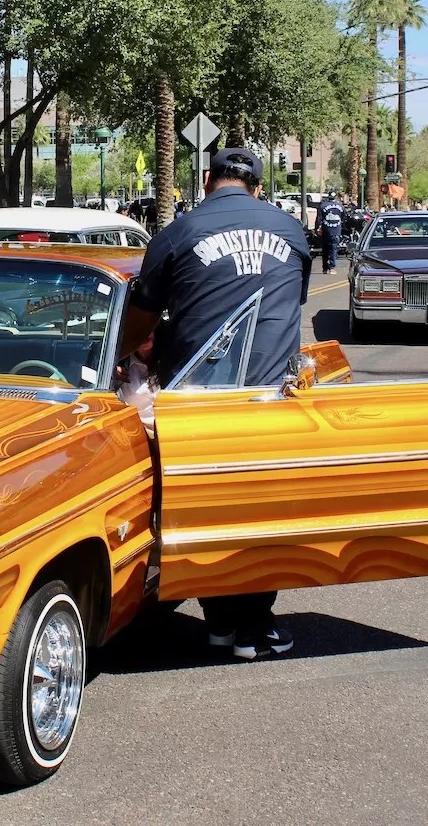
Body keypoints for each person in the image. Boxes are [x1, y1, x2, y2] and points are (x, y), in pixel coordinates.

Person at [121, 147, 311, 661]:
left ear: (207, 180)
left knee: (204, 511)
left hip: (194, 403)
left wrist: (121, 357)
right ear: (257, 186)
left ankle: (223, 625)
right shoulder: (291, 232)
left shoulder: (178, 234)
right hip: (269, 398)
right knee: (261, 514)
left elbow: (141, 317)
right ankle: (253, 624)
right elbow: (290, 303)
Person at [315, 189, 345, 274]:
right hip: (336, 230)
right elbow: (344, 217)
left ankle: (325, 268)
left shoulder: (322, 206)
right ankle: (332, 267)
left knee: (325, 249)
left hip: (326, 230)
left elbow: (318, 219)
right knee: (334, 248)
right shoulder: (340, 206)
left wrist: (317, 228)